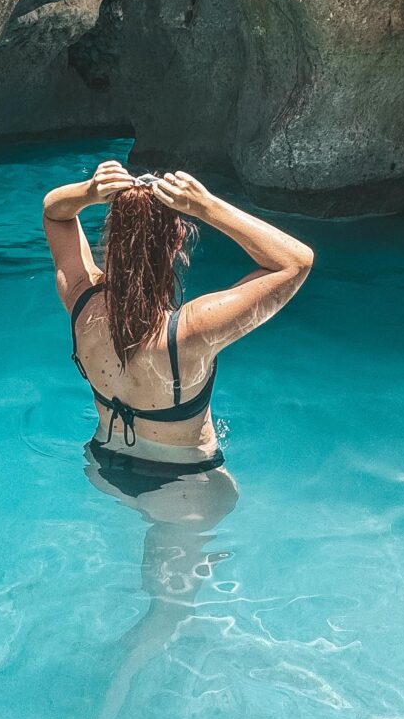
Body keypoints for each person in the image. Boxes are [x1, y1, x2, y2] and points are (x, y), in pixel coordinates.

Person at [41, 160, 314, 506]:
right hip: (185, 487)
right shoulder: (191, 331)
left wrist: (90, 191)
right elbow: (296, 261)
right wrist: (207, 206)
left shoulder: (82, 303)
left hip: (104, 466)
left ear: (111, 241)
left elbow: (55, 214)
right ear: (175, 245)